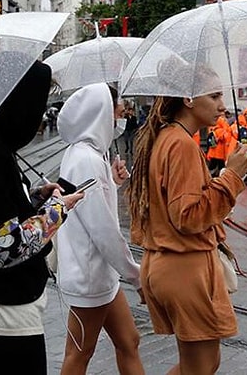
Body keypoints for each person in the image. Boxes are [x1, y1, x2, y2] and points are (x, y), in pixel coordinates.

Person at [0, 59, 84, 374]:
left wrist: (35, 196)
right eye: (37, 104)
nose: (39, 115)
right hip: (3, 309)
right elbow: (3, 247)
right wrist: (58, 210)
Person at [127, 62, 247, 375]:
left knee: (205, 364)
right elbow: (187, 216)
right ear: (189, 99)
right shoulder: (180, 144)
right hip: (184, 267)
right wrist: (232, 177)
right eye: (214, 96)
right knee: (200, 367)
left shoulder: (168, 137)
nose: (222, 106)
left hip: (172, 264)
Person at [55, 83, 144, 375]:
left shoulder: (89, 155)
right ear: (102, 113)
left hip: (101, 275)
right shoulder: (86, 160)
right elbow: (102, 229)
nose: (122, 117)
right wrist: (135, 274)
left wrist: (113, 184)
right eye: (118, 111)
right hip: (90, 275)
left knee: (129, 341)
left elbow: (92, 207)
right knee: (79, 354)